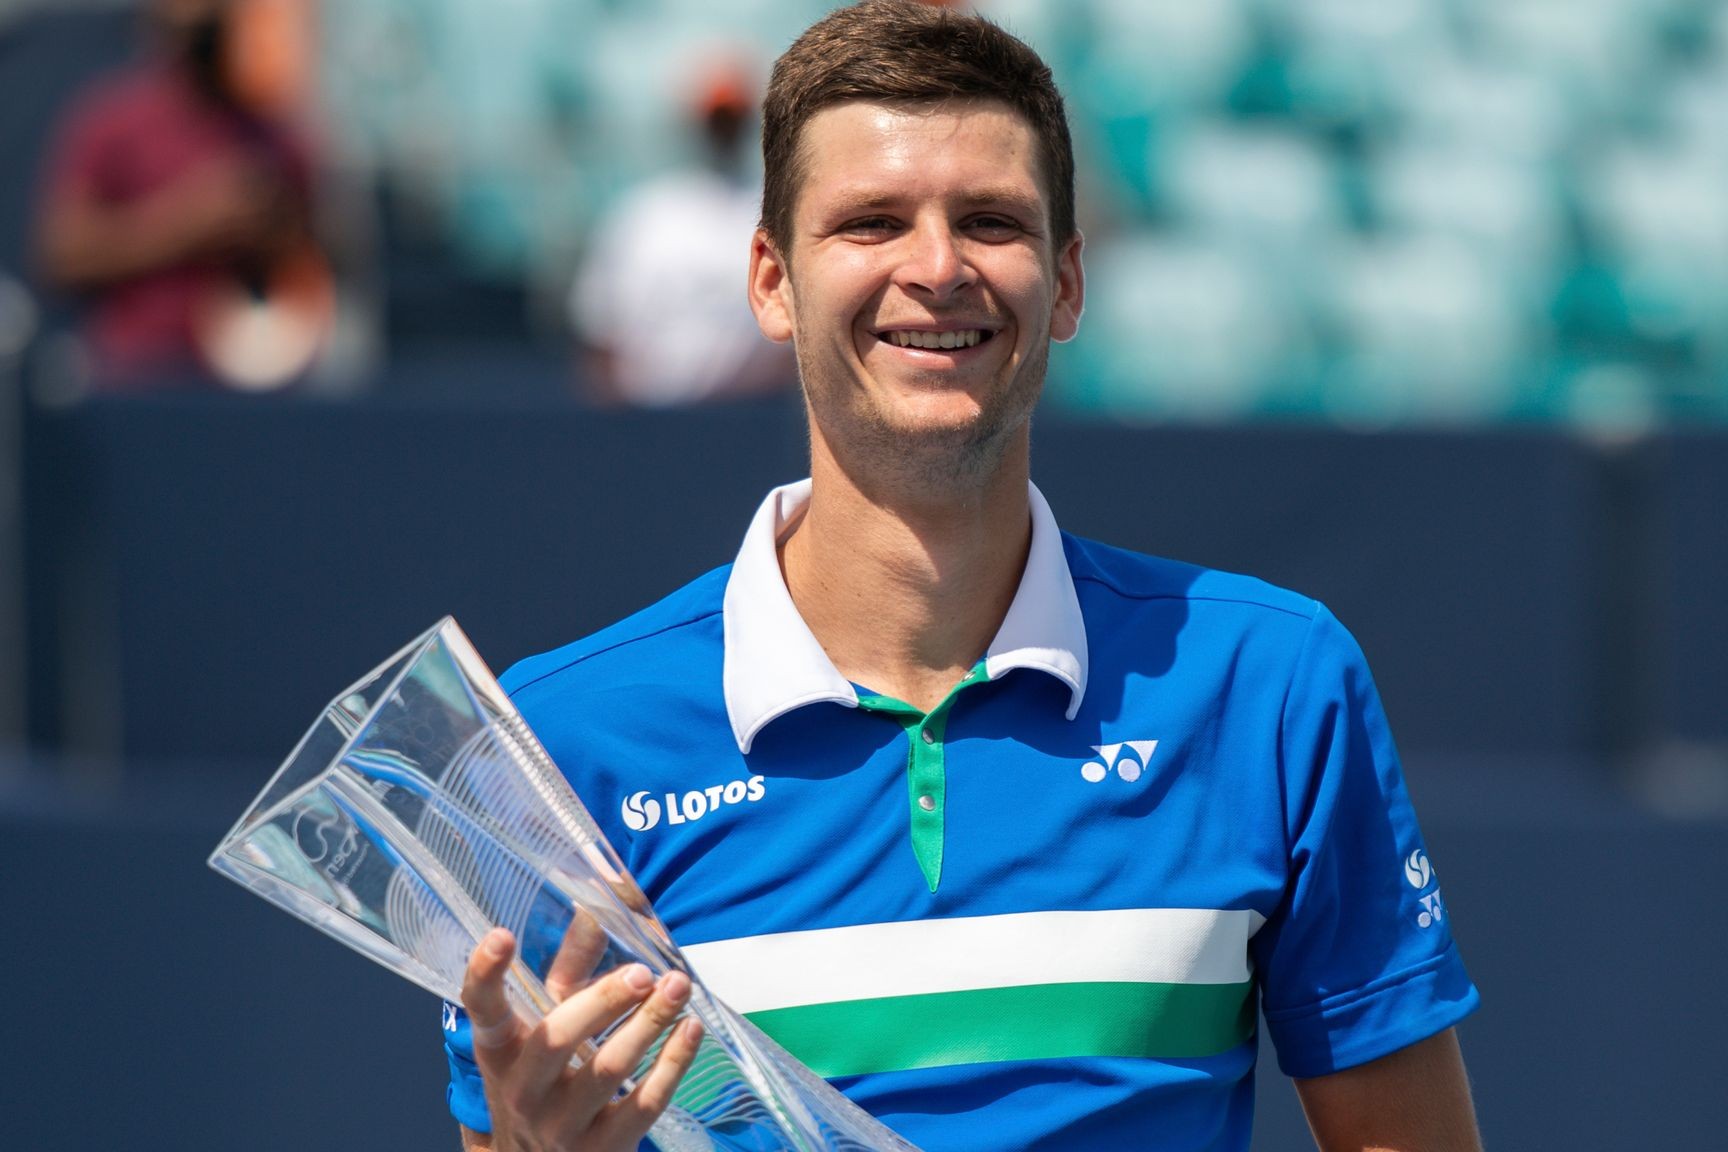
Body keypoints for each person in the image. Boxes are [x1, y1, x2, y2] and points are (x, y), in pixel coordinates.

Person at [447, 3, 1482, 1149]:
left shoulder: (1273, 684)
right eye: (872, 222)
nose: (938, 268)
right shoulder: (557, 740)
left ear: (1068, 283)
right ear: (772, 281)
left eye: (990, 221)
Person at [35, 0, 325, 389]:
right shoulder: (112, 123)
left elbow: (316, 264)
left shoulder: (278, 138)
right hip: (137, 377)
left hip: (253, 378)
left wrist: (264, 233)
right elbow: (62, 255)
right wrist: (187, 224)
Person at [570, 55, 793, 406]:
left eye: (731, 122)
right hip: (650, 414)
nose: (723, 133)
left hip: (750, 414)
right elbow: (600, 334)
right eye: (716, 122)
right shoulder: (644, 214)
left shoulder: (777, 207)